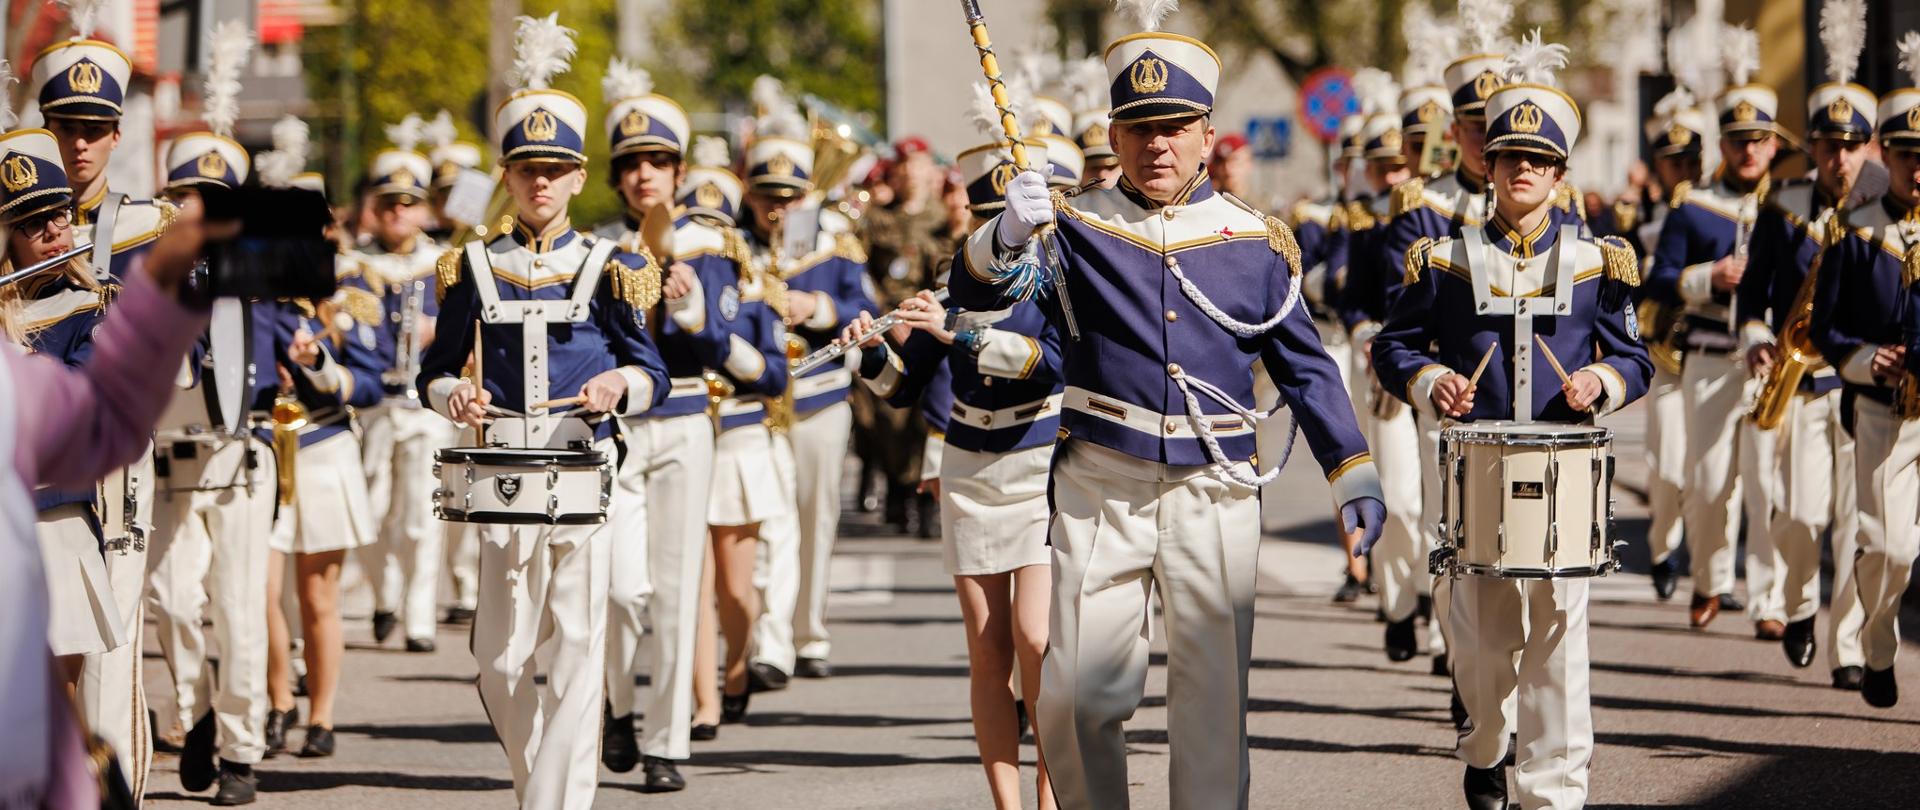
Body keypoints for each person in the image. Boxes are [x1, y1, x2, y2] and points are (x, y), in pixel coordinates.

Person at [949, 6, 1385, 805]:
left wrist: (1351, 471)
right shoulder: (1071, 228)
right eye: (1140, 127)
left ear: (1207, 133)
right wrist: (1003, 235)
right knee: (1074, 701)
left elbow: (1307, 367)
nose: (1158, 144)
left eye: (1176, 126)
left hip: (1214, 492)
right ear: (1113, 136)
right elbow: (973, 296)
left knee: (1212, 709)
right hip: (1098, 490)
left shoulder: (1255, 239)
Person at [1373, 36, 1652, 807]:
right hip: (1477, 472)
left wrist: (1602, 377)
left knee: (1559, 648)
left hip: (1565, 471)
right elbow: (1393, 346)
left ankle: (1553, 792)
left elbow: (1638, 359)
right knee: (1485, 647)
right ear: (1488, 168)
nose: (1521, 169)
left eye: (1538, 159)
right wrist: (1432, 383)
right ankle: (1486, 742)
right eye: (1507, 158)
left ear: (1561, 176)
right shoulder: (1444, 259)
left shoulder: (1601, 262)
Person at [415, 15, 670, 807]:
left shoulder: (611, 267)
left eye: (555, 169)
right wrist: (449, 392)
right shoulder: (468, 267)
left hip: (584, 469)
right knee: (497, 656)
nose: (541, 183)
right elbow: (428, 369)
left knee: (581, 642)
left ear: (578, 173)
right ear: (507, 172)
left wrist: (615, 388)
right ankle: (537, 779)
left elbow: (650, 370)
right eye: (527, 168)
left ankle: (558, 800)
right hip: (498, 481)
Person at [845, 114, 1061, 809]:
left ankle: (1053, 796)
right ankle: (1008, 803)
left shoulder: (1062, 281)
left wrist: (958, 334)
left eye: (1014, 220)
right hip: (970, 467)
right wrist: (874, 351)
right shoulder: (954, 282)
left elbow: (1049, 365)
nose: (1004, 237)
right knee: (989, 652)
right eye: (989, 219)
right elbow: (904, 388)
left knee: (1039, 640)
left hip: (1042, 463)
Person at [3, 177, 213, 810]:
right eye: (31, 221)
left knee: (54, 700)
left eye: (59, 215)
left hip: (56, 518)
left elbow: (86, 411)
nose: (53, 231)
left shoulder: (92, 306)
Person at [591, 61, 751, 791]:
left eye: (657, 161)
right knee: (621, 588)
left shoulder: (709, 242)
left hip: (686, 414)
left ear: (679, 170)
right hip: (620, 424)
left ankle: (667, 742)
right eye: (631, 164)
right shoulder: (598, 249)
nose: (644, 175)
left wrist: (685, 303)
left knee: (677, 583)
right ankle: (618, 705)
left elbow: (718, 342)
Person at [34, 24, 176, 792]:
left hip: (113, 467)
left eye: (94, 131)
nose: (79, 146)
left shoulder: (149, 229)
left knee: (108, 661)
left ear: (116, 136)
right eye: (66, 128)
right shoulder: (9, 219)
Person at [1737, 0, 1874, 683]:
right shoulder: (1783, 205)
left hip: (1864, 385)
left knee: (1856, 525)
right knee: (1797, 515)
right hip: (1801, 384)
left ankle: (1847, 645)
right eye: (1828, 145)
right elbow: (1753, 289)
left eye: (1852, 146)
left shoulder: (1883, 215)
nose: (1839, 157)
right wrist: (1759, 334)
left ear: (1869, 149)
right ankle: (1796, 604)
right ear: (1813, 147)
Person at [1647, 26, 1781, 630]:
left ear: (1773, 145)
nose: (1748, 151)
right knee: (1706, 484)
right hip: (1706, 356)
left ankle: (1770, 602)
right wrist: (1710, 277)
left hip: (1774, 361)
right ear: (1722, 145)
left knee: (1768, 488)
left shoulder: (1792, 209)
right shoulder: (1692, 204)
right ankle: (1709, 577)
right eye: (1737, 140)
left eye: (1758, 141)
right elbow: (1660, 277)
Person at [742, 79, 875, 687]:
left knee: (815, 519)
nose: (776, 208)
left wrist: (815, 304)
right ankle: (769, 642)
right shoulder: (734, 245)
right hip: (756, 407)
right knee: (770, 524)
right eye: (766, 195)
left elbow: (865, 311)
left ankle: (808, 632)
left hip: (820, 401)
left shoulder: (836, 245)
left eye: (788, 195)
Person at [1818, 32, 1920, 709]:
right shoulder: (1855, 235)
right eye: (1909, 156)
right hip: (1885, 412)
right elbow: (1825, 328)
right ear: (1885, 155)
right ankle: (1876, 646)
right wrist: (1863, 359)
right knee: (1890, 550)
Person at [684, 133, 792, 729]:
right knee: (693, 584)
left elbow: (773, 376)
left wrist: (723, 344)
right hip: (685, 436)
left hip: (740, 438)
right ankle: (703, 704)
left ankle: (736, 663)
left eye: (713, 226)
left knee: (734, 588)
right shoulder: (664, 287)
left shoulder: (758, 290)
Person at [349, 117, 455, 654]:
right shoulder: (356, 265)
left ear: (424, 208)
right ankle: (384, 593)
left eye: (408, 202)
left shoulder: (441, 263)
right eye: (389, 202)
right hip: (373, 407)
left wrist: (443, 331)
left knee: (420, 516)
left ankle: (419, 617)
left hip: (424, 406)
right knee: (368, 513)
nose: (398, 212)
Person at [1628, 78, 1709, 603]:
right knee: (1667, 465)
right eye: (1671, 162)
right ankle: (1662, 547)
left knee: (1711, 470)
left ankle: (1704, 563)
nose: (1680, 171)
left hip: (1711, 346)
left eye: (1688, 162)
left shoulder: (1712, 212)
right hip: (1664, 352)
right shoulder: (1637, 217)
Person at [857, 135, 951, 533]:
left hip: (929, 324)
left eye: (920, 165)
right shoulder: (878, 218)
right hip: (888, 323)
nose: (912, 173)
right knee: (886, 417)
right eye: (906, 166)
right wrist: (884, 319)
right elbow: (863, 271)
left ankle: (924, 501)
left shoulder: (943, 217)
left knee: (926, 415)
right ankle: (897, 487)